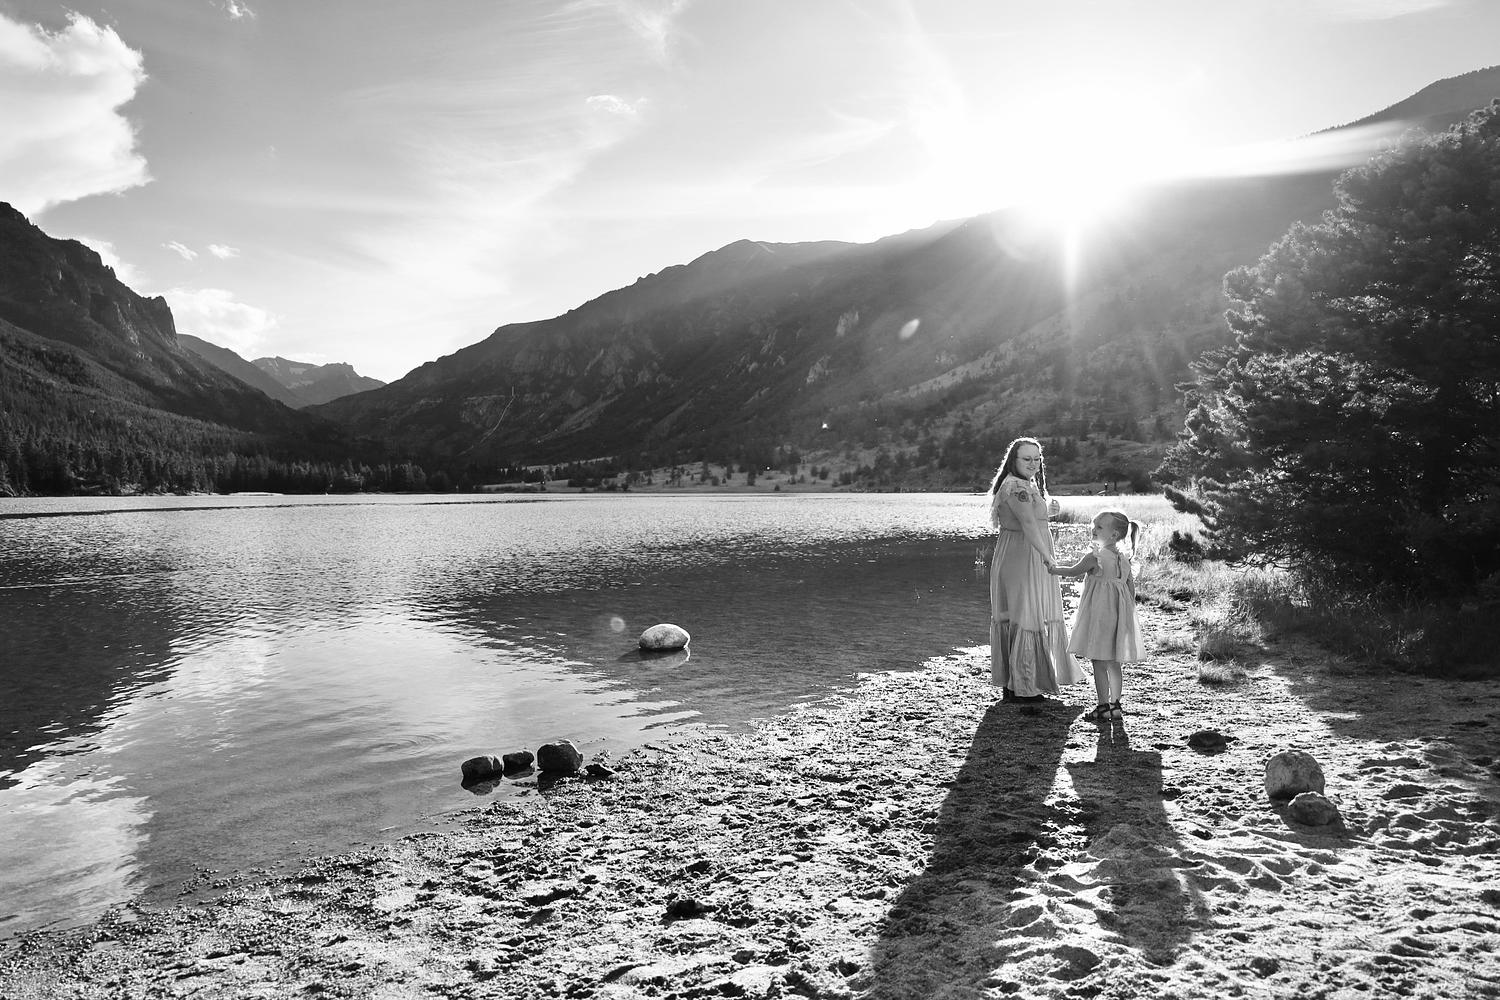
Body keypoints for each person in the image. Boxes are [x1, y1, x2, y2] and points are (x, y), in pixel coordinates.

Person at [987, 438, 1085, 702]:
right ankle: (1025, 687)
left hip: (1020, 550)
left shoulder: (1023, 484)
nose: (1033, 463)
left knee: (1021, 614)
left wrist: (1049, 511)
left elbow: (1030, 519)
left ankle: (1015, 684)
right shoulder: (1017, 486)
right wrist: (1047, 558)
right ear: (1014, 460)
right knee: (1027, 615)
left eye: (1037, 458)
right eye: (1026, 458)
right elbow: (1029, 525)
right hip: (1025, 553)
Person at [1049, 509, 1142, 722]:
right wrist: (1128, 615)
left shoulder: (1096, 557)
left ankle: (1102, 706)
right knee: (1114, 662)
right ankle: (1115, 706)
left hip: (1101, 616)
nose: (1093, 529)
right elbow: (1130, 590)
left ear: (1114, 534)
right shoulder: (1124, 559)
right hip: (1118, 616)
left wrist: (1053, 569)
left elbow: (1072, 571)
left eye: (1099, 527)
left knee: (1099, 661)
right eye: (1094, 525)